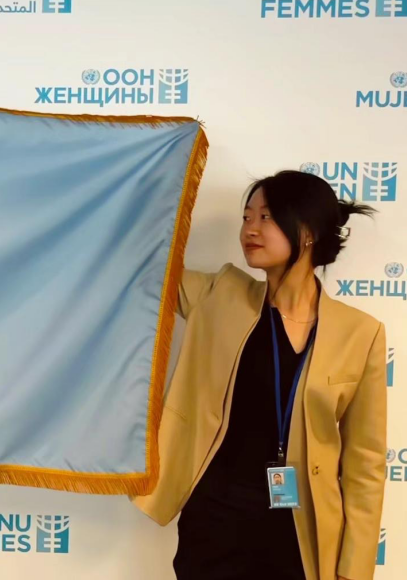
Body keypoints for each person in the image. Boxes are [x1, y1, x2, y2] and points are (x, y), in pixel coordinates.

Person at [132, 170, 387, 580]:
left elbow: (365, 464)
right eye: (246, 217)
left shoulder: (361, 334)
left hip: (302, 531)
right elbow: (140, 273)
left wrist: (353, 571)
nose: (250, 229)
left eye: (266, 217)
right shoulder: (220, 294)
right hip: (216, 520)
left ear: (307, 232)